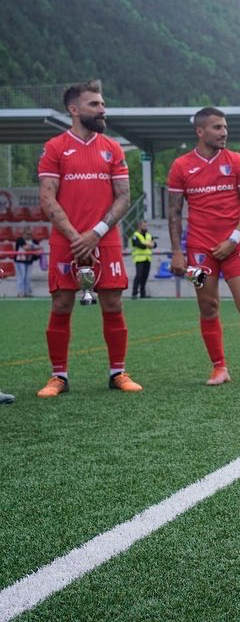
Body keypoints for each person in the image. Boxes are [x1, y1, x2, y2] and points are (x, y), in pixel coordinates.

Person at [36, 80, 142, 397]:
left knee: (112, 302)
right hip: (65, 241)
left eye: (102, 103)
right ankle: (59, 376)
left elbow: (123, 197)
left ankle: (117, 372)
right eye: (94, 104)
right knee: (62, 303)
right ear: (74, 109)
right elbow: (47, 196)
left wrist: (95, 233)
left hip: (104, 240)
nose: (102, 109)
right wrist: (74, 236)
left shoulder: (112, 148)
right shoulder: (55, 147)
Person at [167, 106, 240, 387]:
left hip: (235, 247)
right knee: (208, 306)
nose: (224, 132)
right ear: (200, 131)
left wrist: (233, 239)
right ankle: (219, 368)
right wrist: (177, 252)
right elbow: (173, 212)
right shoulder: (181, 166)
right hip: (198, 253)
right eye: (217, 127)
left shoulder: (238, 161)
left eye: (225, 127)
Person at [129, 219, 157, 299]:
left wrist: (148, 244)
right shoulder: (135, 235)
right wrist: (148, 244)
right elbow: (138, 244)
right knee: (139, 276)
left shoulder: (148, 235)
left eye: (146, 226)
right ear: (139, 226)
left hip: (147, 258)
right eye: (144, 226)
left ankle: (142, 293)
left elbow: (154, 244)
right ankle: (134, 293)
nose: (145, 227)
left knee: (145, 276)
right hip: (139, 258)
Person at [14, 226, 41, 298]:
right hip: (19, 261)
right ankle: (20, 292)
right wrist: (34, 247)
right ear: (23, 234)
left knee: (28, 277)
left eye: (30, 234)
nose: (28, 236)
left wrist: (35, 249)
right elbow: (26, 248)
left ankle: (27, 292)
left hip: (29, 261)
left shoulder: (34, 241)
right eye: (27, 234)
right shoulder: (20, 240)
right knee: (21, 277)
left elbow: (39, 248)